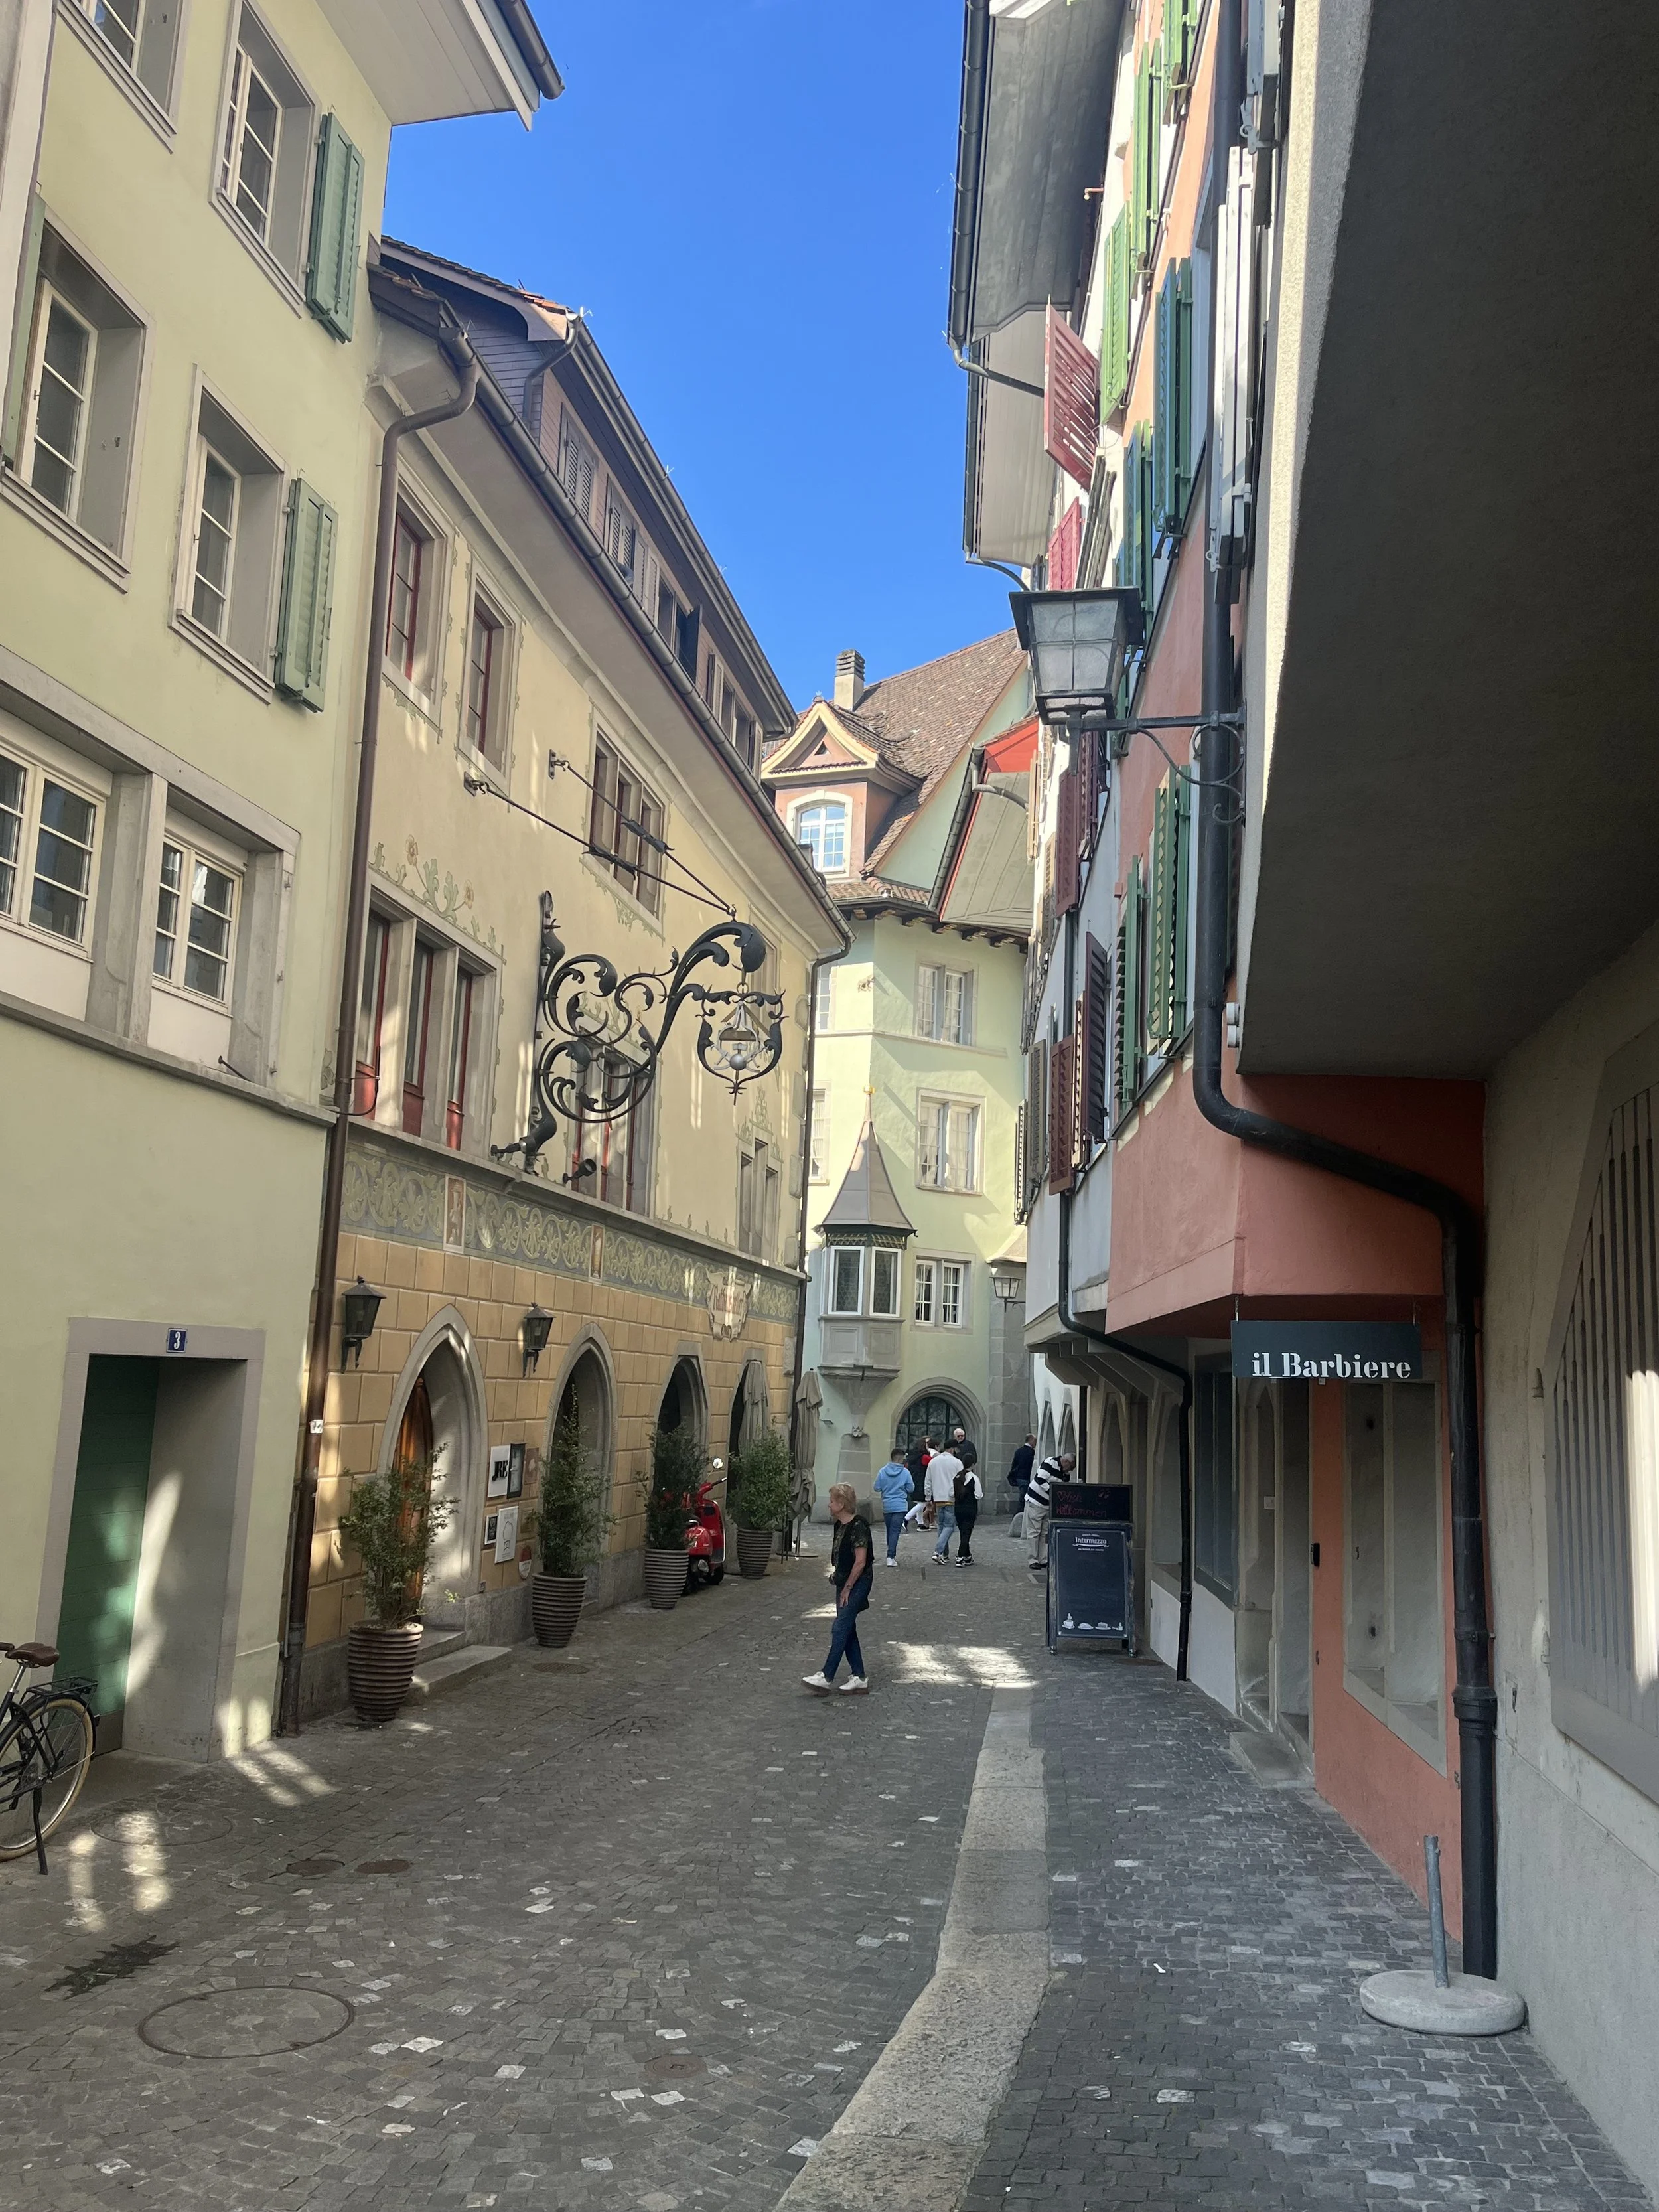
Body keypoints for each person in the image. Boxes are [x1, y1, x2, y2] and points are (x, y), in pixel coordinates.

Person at [802, 1484, 874, 1694]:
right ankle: (859, 1677)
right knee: (848, 1627)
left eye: (832, 1501)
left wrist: (848, 1588)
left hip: (858, 1581)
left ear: (841, 1504)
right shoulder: (840, 1524)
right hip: (844, 1580)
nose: (829, 1504)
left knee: (840, 1626)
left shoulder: (858, 1526)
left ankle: (826, 1675)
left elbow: (860, 1562)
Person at [1025, 1449, 1075, 1571]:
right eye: (1071, 1467)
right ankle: (1033, 1559)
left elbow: (1063, 1490)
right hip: (1036, 1502)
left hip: (1049, 1506)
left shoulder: (1066, 1475)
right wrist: (1053, 1492)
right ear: (1067, 1462)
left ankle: (1043, 1559)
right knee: (1034, 1532)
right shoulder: (1050, 1462)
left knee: (1045, 1533)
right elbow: (1040, 1479)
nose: (1071, 1470)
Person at [873, 1445, 914, 1566]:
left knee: (890, 1530)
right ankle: (890, 1556)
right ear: (899, 1459)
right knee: (895, 1531)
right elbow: (911, 1488)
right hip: (900, 1505)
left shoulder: (882, 1471)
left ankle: (890, 1554)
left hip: (887, 1505)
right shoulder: (905, 1472)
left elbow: (877, 1487)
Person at [926, 1439, 964, 1562]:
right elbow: (961, 1481)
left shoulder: (933, 1462)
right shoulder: (957, 1463)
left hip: (938, 1498)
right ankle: (938, 1551)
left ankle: (944, 1554)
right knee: (949, 1526)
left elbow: (928, 1481)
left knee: (942, 1526)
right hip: (951, 1499)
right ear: (952, 1449)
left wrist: (928, 1498)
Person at [952, 1454, 984, 1566]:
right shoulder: (974, 1478)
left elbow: (951, 1493)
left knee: (963, 1532)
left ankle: (967, 1555)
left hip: (958, 1508)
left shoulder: (957, 1477)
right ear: (973, 1464)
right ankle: (960, 1557)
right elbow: (979, 1495)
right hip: (970, 1509)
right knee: (967, 1533)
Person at [1007, 1434, 1037, 1502]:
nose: (1036, 1443)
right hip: (1026, 1477)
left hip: (1019, 1477)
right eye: (1035, 1440)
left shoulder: (1019, 1451)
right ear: (1030, 1440)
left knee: (1023, 1495)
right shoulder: (1032, 1453)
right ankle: (1021, 1511)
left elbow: (1014, 1464)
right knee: (1024, 1498)